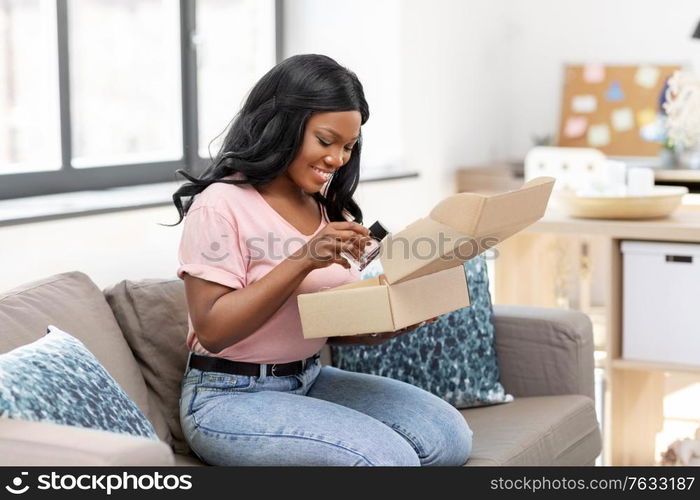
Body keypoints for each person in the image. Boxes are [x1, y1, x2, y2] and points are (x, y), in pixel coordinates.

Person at [167, 54, 473, 466]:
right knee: (388, 460)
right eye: (325, 141)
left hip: (309, 377)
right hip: (227, 394)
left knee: (449, 438)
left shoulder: (328, 208)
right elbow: (214, 330)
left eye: (348, 146)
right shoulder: (221, 204)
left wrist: (391, 321)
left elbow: (326, 327)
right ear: (282, 126)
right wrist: (304, 258)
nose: (338, 159)